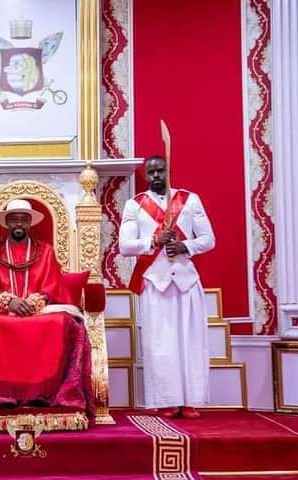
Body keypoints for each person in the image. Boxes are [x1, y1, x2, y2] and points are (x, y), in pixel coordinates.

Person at [0, 199, 94, 426]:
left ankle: (43, 395)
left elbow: (53, 285)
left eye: (23, 219)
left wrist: (35, 301)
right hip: (1, 310)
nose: (18, 223)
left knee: (61, 322)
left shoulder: (45, 251)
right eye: (14, 219)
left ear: (30, 223)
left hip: (40, 310)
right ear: (6, 223)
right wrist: (8, 300)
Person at [118, 155, 215, 419]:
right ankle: (166, 400)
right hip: (155, 282)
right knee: (160, 343)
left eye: (160, 171)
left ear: (168, 170)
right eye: (151, 173)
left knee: (190, 342)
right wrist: (153, 240)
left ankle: (190, 401)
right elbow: (125, 246)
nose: (156, 177)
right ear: (146, 176)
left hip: (186, 280)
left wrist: (187, 245)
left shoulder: (190, 199)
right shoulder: (134, 205)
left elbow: (208, 239)